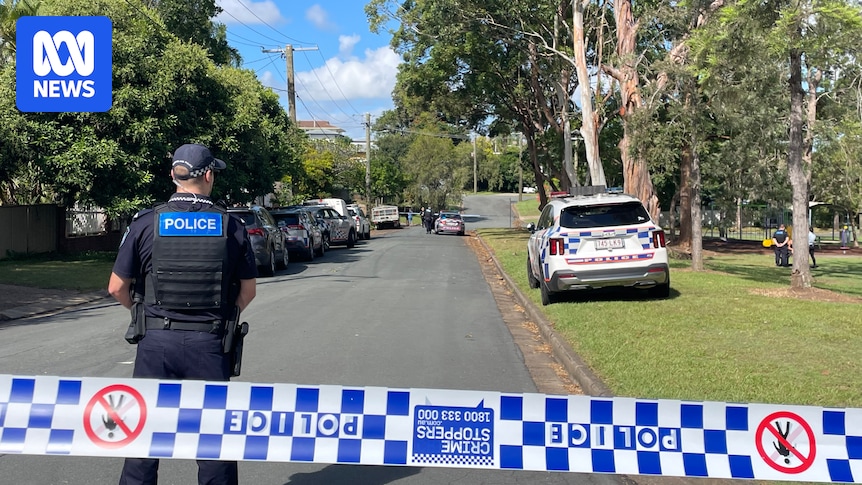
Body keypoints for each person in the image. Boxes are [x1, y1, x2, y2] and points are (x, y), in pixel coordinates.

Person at [108, 143, 257, 485]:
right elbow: (247, 291)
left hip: (156, 342)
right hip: (209, 343)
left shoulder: (146, 223)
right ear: (207, 175)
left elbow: (117, 286)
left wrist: (140, 313)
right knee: (213, 440)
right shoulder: (231, 227)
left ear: (173, 176)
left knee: (144, 436)